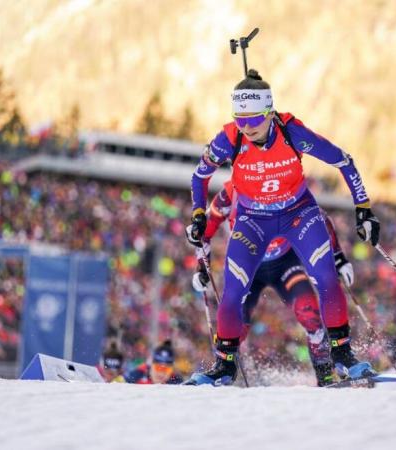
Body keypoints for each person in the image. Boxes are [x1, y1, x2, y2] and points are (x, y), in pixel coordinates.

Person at [185, 69, 381, 386]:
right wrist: (197, 214)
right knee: (233, 292)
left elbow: (343, 160)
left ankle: (343, 355)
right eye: (239, 119)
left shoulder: (292, 133)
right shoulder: (230, 139)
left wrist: (363, 209)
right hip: (253, 222)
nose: (246, 128)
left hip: (297, 214)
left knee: (326, 277)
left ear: (270, 112)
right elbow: (199, 175)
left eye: (253, 120)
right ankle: (224, 366)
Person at [191, 180, 355, 386]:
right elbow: (205, 227)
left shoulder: (279, 182)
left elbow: (318, 217)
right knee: (235, 328)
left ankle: (326, 377)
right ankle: (224, 372)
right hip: (250, 266)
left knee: (309, 311)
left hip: (285, 263)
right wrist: (201, 267)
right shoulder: (230, 193)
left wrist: (338, 257)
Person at [117, 340, 184, 385]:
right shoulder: (138, 374)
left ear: (172, 371)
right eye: (158, 368)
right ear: (151, 366)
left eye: (166, 369)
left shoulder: (176, 382)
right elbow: (115, 384)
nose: (161, 373)